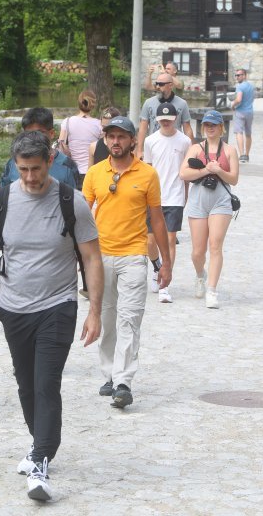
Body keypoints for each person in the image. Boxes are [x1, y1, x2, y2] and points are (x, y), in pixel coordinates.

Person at [0, 131, 103, 502]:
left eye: (36, 169)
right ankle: (44, 441)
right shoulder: (0, 201)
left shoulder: (71, 201)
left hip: (58, 305)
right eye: (23, 169)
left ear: (50, 162)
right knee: (25, 384)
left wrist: (95, 312)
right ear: (15, 166)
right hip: (13, 307)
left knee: (46, 382)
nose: (30, 177)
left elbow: (91, 257)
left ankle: (40, 461)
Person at [82, 116, 171, 408]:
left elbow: (157, 220)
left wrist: (165, 263)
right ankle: (109, 374)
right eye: (111, 137)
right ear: (105, 140)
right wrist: (79, 258)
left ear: (133, 140)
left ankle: (123, 382)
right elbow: (83, 215)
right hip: (100, 257)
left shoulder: (147, 174)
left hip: (134, 255)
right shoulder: (95, 173)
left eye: (122, 137)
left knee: (129, 320)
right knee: (107, 319)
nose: (116, 142)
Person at [179, 110, 240, 309]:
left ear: (221, 127)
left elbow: (234, 179)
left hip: (220, 200)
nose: (210, 128)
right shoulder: (196, 148)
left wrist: (219, 170)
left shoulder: (229, 150)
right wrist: (205, 170)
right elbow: (183, 173)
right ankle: (200, 276)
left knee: (215, 245)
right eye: (206, 125)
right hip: (198, 199)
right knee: (198, 251)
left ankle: (212, 290)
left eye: (213, 125)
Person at [143, 103, 191, 304]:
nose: (165, 123)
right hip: (153, 197)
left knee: (170, 240)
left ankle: (166, 283)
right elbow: (146, 169)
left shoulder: (185, 141)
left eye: (169, 120)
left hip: (174, 196)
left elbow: (187, 171)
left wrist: (185, 195)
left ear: (175, 119)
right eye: (162, 120)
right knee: (150, 241)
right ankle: (157, 268)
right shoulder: (150, 140)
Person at [0, 107, 79, 189]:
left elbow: (75, 197)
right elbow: (0, 192)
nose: (34, 137)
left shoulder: (67, 165)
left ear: (52, 133)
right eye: (29, 133)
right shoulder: (13, 163)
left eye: (39, 133)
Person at [136, 72, 194, 159]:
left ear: (170, 85)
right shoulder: (148, 103)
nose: (158, 87)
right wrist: (139, 150)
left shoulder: (182, 103)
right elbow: (143, 128)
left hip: (175, 147)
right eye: (156, 84)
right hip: (154, 146)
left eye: (161, 84)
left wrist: (191, 151)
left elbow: (187, 128)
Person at [58, 90, 102, 187]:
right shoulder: (98, 124)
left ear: (79, 103)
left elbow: (61, 145)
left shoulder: (67, 122)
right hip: (92, 171)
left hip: (72, 170)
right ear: (93, 106)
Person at [231, 68, 255, 163]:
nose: (237, 77)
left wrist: (233, 105)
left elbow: (239, 99)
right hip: (249, 111)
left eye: (239, 75)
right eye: (236, 75)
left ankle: (242, 155)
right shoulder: (251, 86)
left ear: (244, 76)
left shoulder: (240, 87)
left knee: (239, 132)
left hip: (240, 111)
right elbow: (253, 97)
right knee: (248, 133)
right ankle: (247, 154)